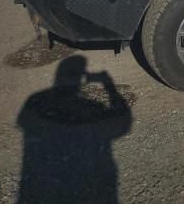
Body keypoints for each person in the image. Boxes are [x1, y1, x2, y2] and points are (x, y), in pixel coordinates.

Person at [16, 56, 132, 204]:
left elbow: (25, 123)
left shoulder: (35, 99)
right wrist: (109, 87)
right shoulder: (93, 106)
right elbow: (122, 126)